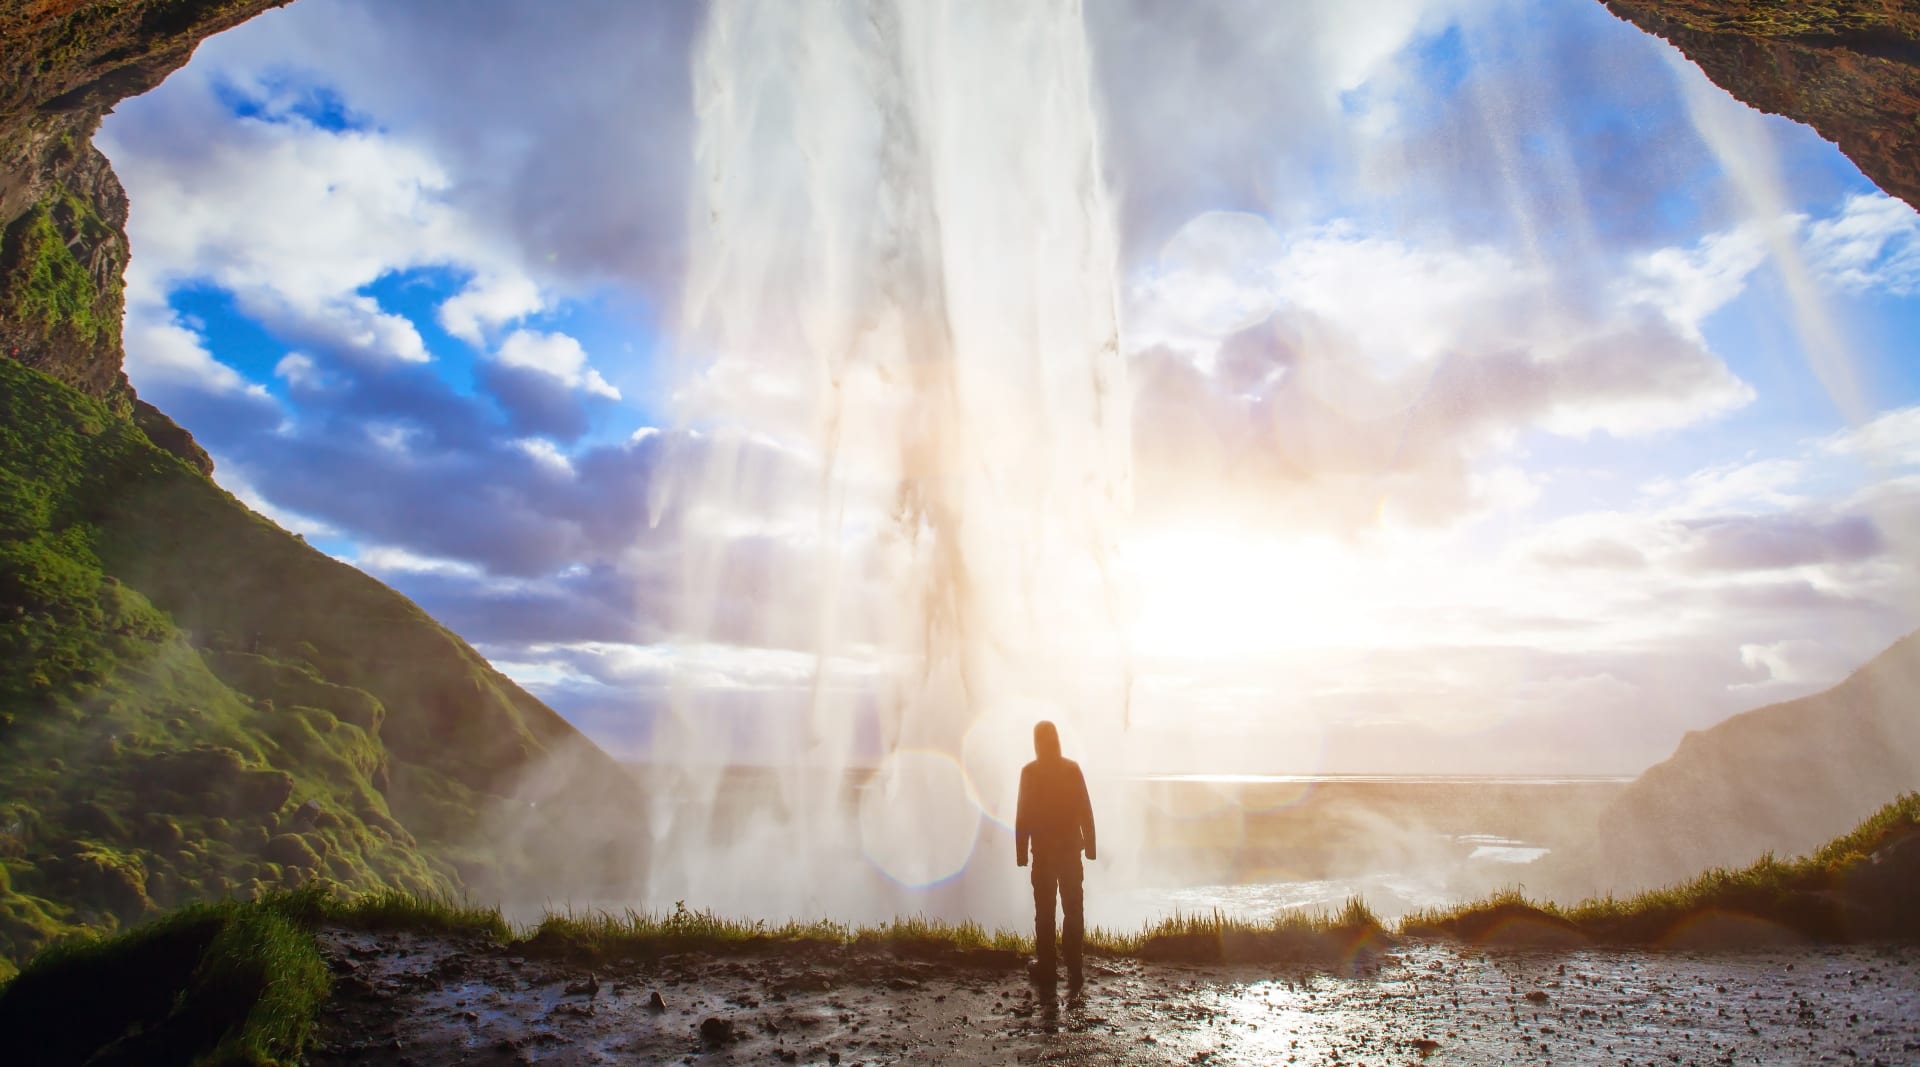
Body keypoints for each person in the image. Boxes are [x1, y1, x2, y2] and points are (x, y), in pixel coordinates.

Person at [1014, 720, 1096, 989]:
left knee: (1045, 912)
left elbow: (1022, 817)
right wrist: (1091, 847)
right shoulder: (1071, 769)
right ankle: (1074, 968)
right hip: (1071, 853)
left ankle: (1047, 967)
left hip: (1045, 856)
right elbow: (1086, 809)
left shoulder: (1030, 772)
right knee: (1073, 910)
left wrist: (1022, 854)